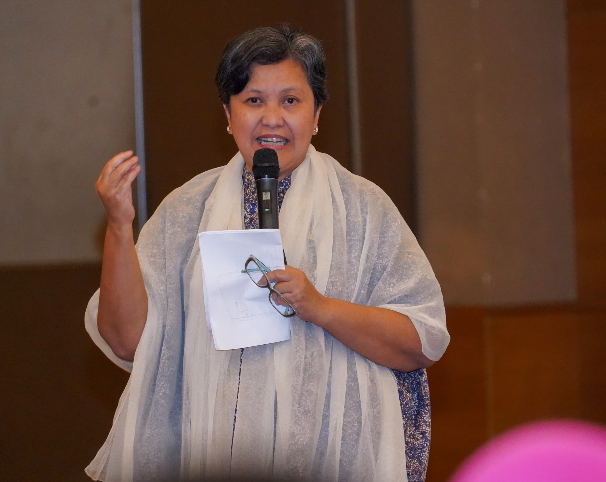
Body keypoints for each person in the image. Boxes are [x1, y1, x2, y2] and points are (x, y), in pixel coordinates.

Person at [84, 26, 449, 482]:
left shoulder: (362, 209)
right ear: (228, 114)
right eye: (253, 100)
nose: (272, 118)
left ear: (317, 114)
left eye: (290, 101)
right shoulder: (187, 210)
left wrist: (320, 308)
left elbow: (422, 340)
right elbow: (126, 341)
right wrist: (119, 227)